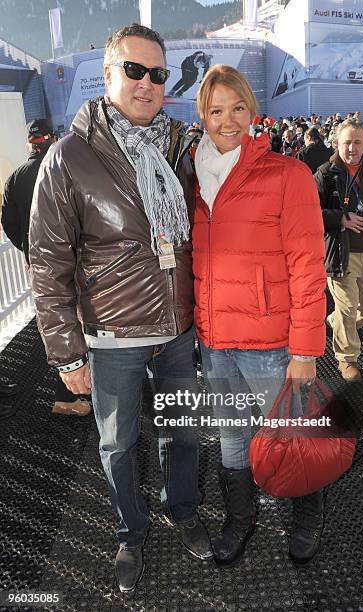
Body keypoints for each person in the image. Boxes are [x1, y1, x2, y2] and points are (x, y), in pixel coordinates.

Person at [29, 24, 212, 593]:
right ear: (107, 76)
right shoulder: (69, 158)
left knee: (183, 432)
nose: (147, 83)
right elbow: (47, 261)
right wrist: (66, 355)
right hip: (112, 335)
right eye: (133, 70)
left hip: (178, 330)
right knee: (117, 444)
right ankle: (129, 533)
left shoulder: (181, 148)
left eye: (157, 74)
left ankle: (182, 511)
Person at [193, 65, 326, 568]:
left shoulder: (287, 175)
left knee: (293, 436)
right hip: (216, 340)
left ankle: (307, 515)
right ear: (202, 115)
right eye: (215, 110)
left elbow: (308, 267)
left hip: (272, 341)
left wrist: (307, 349)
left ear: (252, 111)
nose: (227, 121)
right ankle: (240, 518)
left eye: (237, 108)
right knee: (231, 434)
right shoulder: (192, 176)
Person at [1, 119, 91, 417]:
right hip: (71, 261)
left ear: (30, 142)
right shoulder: (63, 167)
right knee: (74, 320)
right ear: (52, 138)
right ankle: (70, 394)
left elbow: (9, 224)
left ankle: (69, 392)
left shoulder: (15, 177)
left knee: (50, 320)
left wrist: (30, 249)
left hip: (38, 264)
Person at [314, 118, 363, 380]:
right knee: (347, 307)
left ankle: (337, 325)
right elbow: (309, 212)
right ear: (337, 142)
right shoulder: (326, 174)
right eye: (347, 142)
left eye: (357, 142)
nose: (352, 148)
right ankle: (347, 359)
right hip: (341, 252)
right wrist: (341, 219)